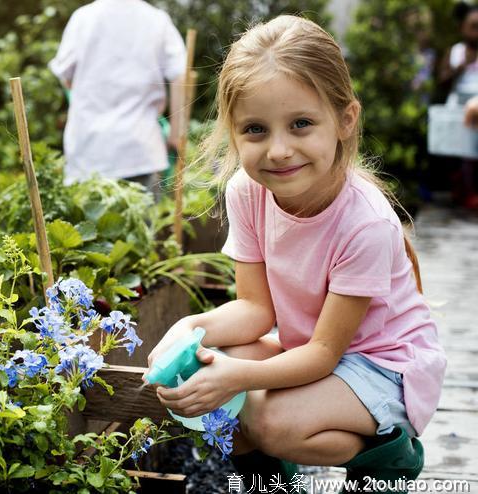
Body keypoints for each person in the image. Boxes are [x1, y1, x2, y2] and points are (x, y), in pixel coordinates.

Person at [144, 15, 446, 490]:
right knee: (218, 363)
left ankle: (387, 456)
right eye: (256, 130)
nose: (279, 150)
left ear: (345, 120)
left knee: (264, 420)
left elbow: (326, 353)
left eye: (301, 124)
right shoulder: (247, 191)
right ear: (233, 131)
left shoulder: (364, 223)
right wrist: (189, 329)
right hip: (310, 349)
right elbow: (255, 311)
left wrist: (237, 379)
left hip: (383, 365)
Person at [49, 0, 186, 191]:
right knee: (141, 219)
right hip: (140, 148)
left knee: (88, 220)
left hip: (89, 149)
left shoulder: (83, 18)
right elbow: (180, 76)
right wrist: (176, 133)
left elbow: (66, 76)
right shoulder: (157, 20)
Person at [439, 1, 478, 209]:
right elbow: (442, 82)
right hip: (458, 110)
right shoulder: (455, 52)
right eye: (473, 26)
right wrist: (462, 66)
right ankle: (463, 192)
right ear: (462, 28)